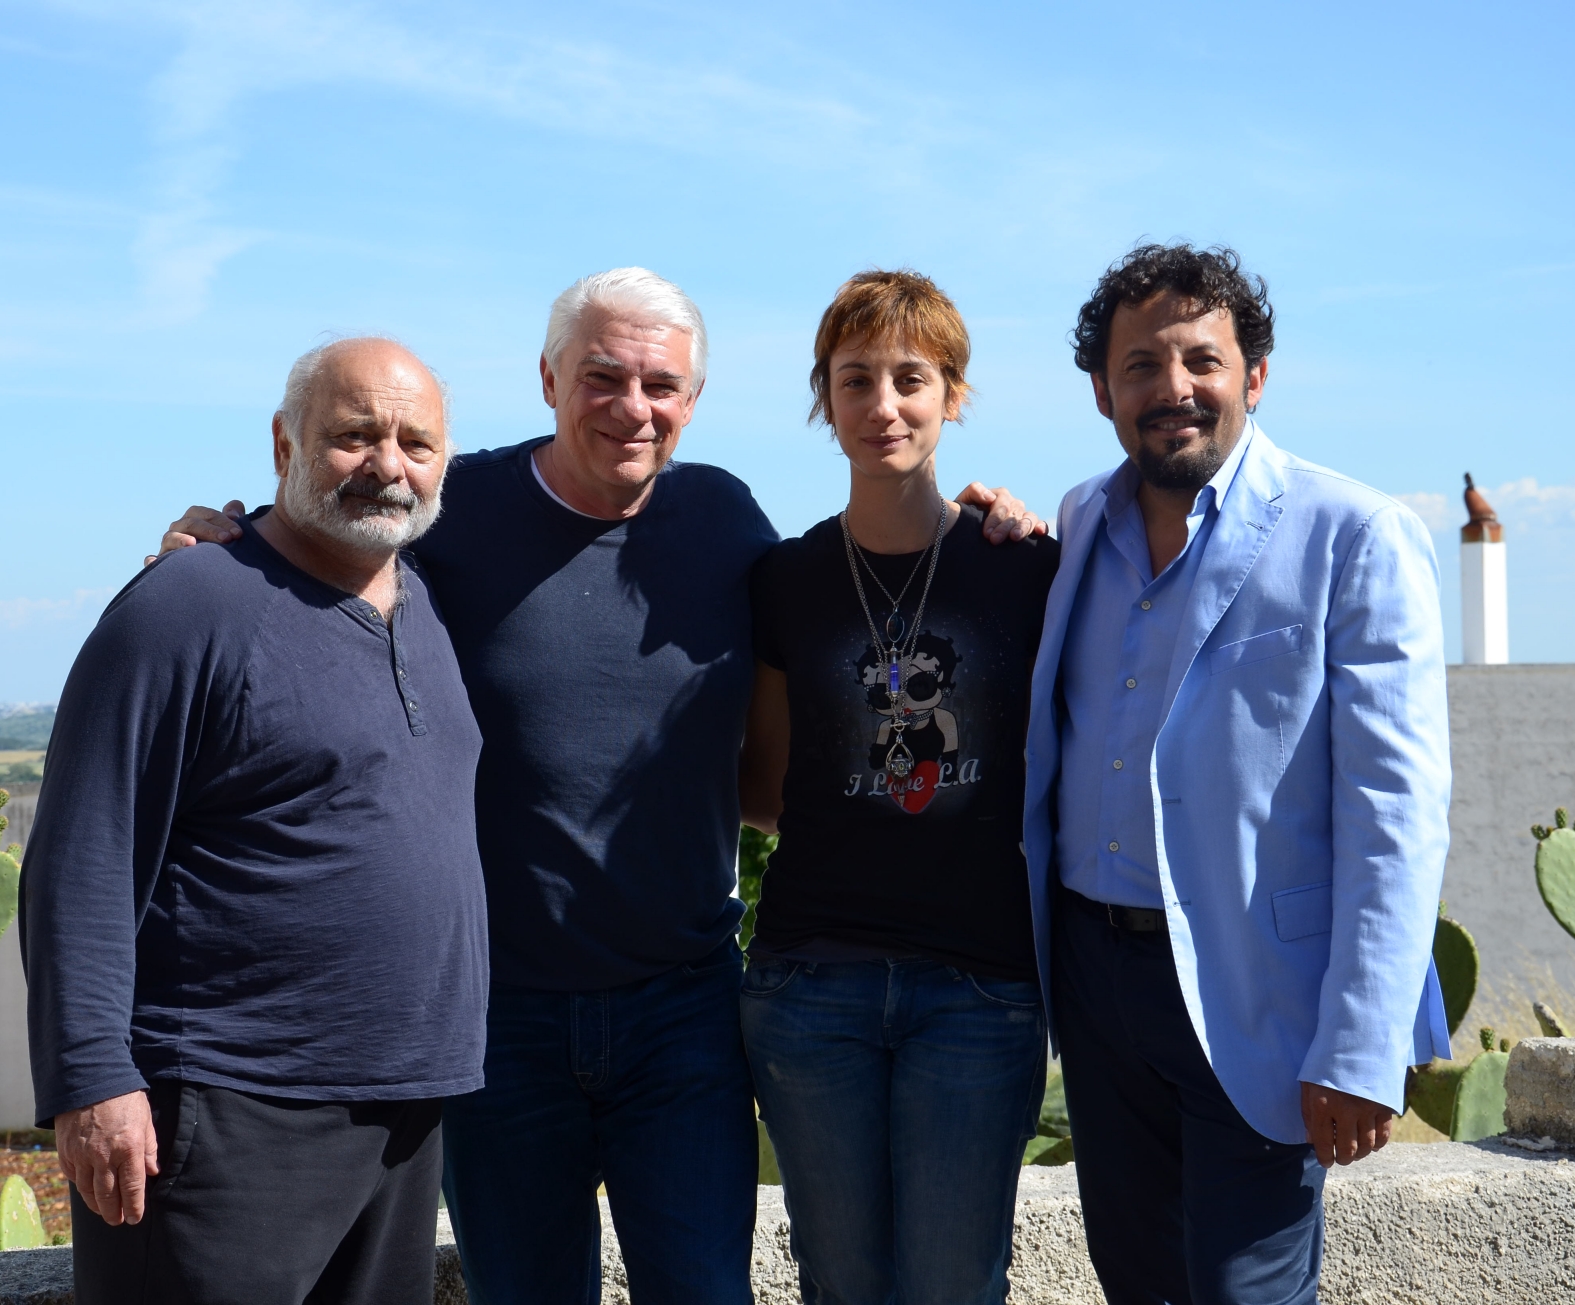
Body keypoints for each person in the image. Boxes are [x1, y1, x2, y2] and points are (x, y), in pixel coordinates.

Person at [153, 268, 1041, 1304]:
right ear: (547, 379)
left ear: (693, 401)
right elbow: (325, 526)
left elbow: (794, 736)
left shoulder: (724, 520)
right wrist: (217, 540)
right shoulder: (456, 505)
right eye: (601, 376)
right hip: (499, 1018)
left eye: (660, 384)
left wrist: (999, 523)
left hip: (684, 1014)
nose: (633, 406)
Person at [1021, 244, 1453, 1305]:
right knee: (1137, 1283)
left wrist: (1358, 1047)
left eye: (1199, 360)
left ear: (1252, 375)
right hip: (1094, 979)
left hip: (1255, 991)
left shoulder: (1353, 534)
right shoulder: (1078, 523)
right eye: (1139, 365)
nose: (1171, 388)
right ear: (1100, 391)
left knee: (1240, 1292)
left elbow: (1395, 810)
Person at [21, 338, 488, 1305]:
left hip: (404, 1108)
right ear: (284, 443)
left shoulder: (427, 609)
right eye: (353, 436)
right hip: (225, 1108)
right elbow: (84, 855)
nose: (388, 465)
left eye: (416, 441)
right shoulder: (188, 603)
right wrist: (89, 1078)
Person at [738, 270, 1060, 1304]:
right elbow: (769, 787)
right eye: (854, 379)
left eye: (910, 379)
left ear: (952, 395)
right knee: (838, 1282)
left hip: (978, 988)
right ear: (822, 399)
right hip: (808, 989)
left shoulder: (1026, 568)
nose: (883, 405)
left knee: (954, 1283)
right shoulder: (782, 580)